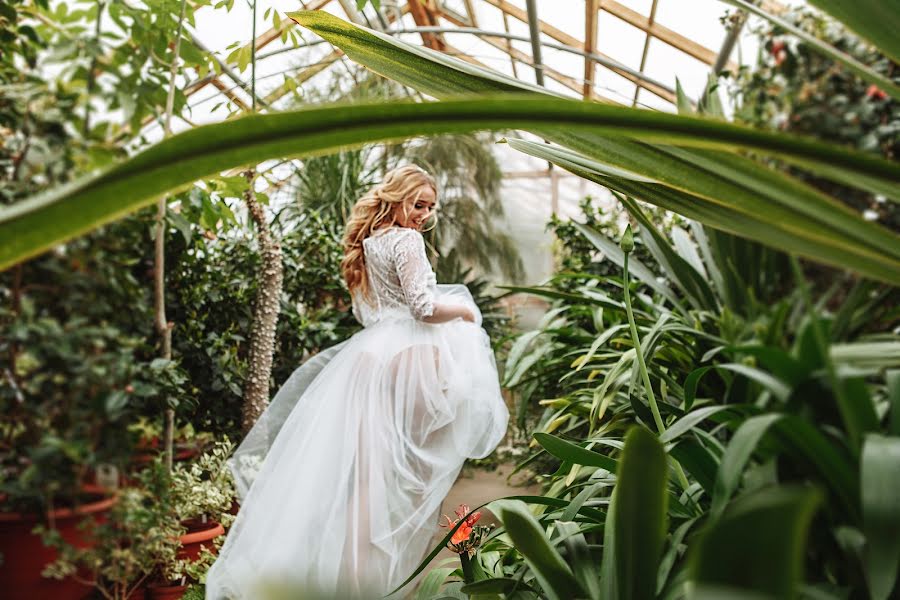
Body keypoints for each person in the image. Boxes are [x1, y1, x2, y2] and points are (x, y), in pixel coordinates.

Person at [205, 164, 509, 599]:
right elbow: (423, 307)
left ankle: (351, 578)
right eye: (417, 204)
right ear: (397, 198)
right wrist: (463, 311)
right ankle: (376, 579)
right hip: (411, 360)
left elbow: (368, 312)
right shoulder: (406, 240)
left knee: (369, 477)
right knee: (411, 473)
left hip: (369, 356)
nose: (423, 215)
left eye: (430, 208)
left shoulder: (369, 243)